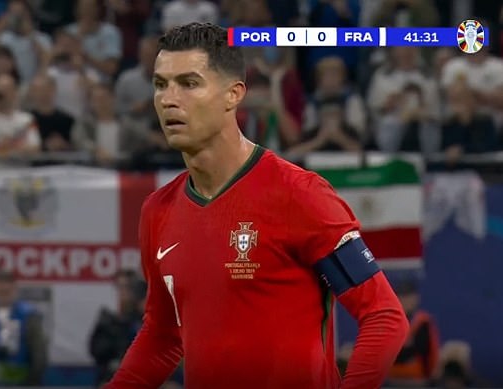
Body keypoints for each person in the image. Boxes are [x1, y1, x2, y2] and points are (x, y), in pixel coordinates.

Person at [106, 23, 409, 389]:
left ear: (233, 95)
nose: (169, 99)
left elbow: (384, 315)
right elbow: (164, 334)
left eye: (188, 83)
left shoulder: (299, 194)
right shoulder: (158, 210)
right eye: (160, 84)